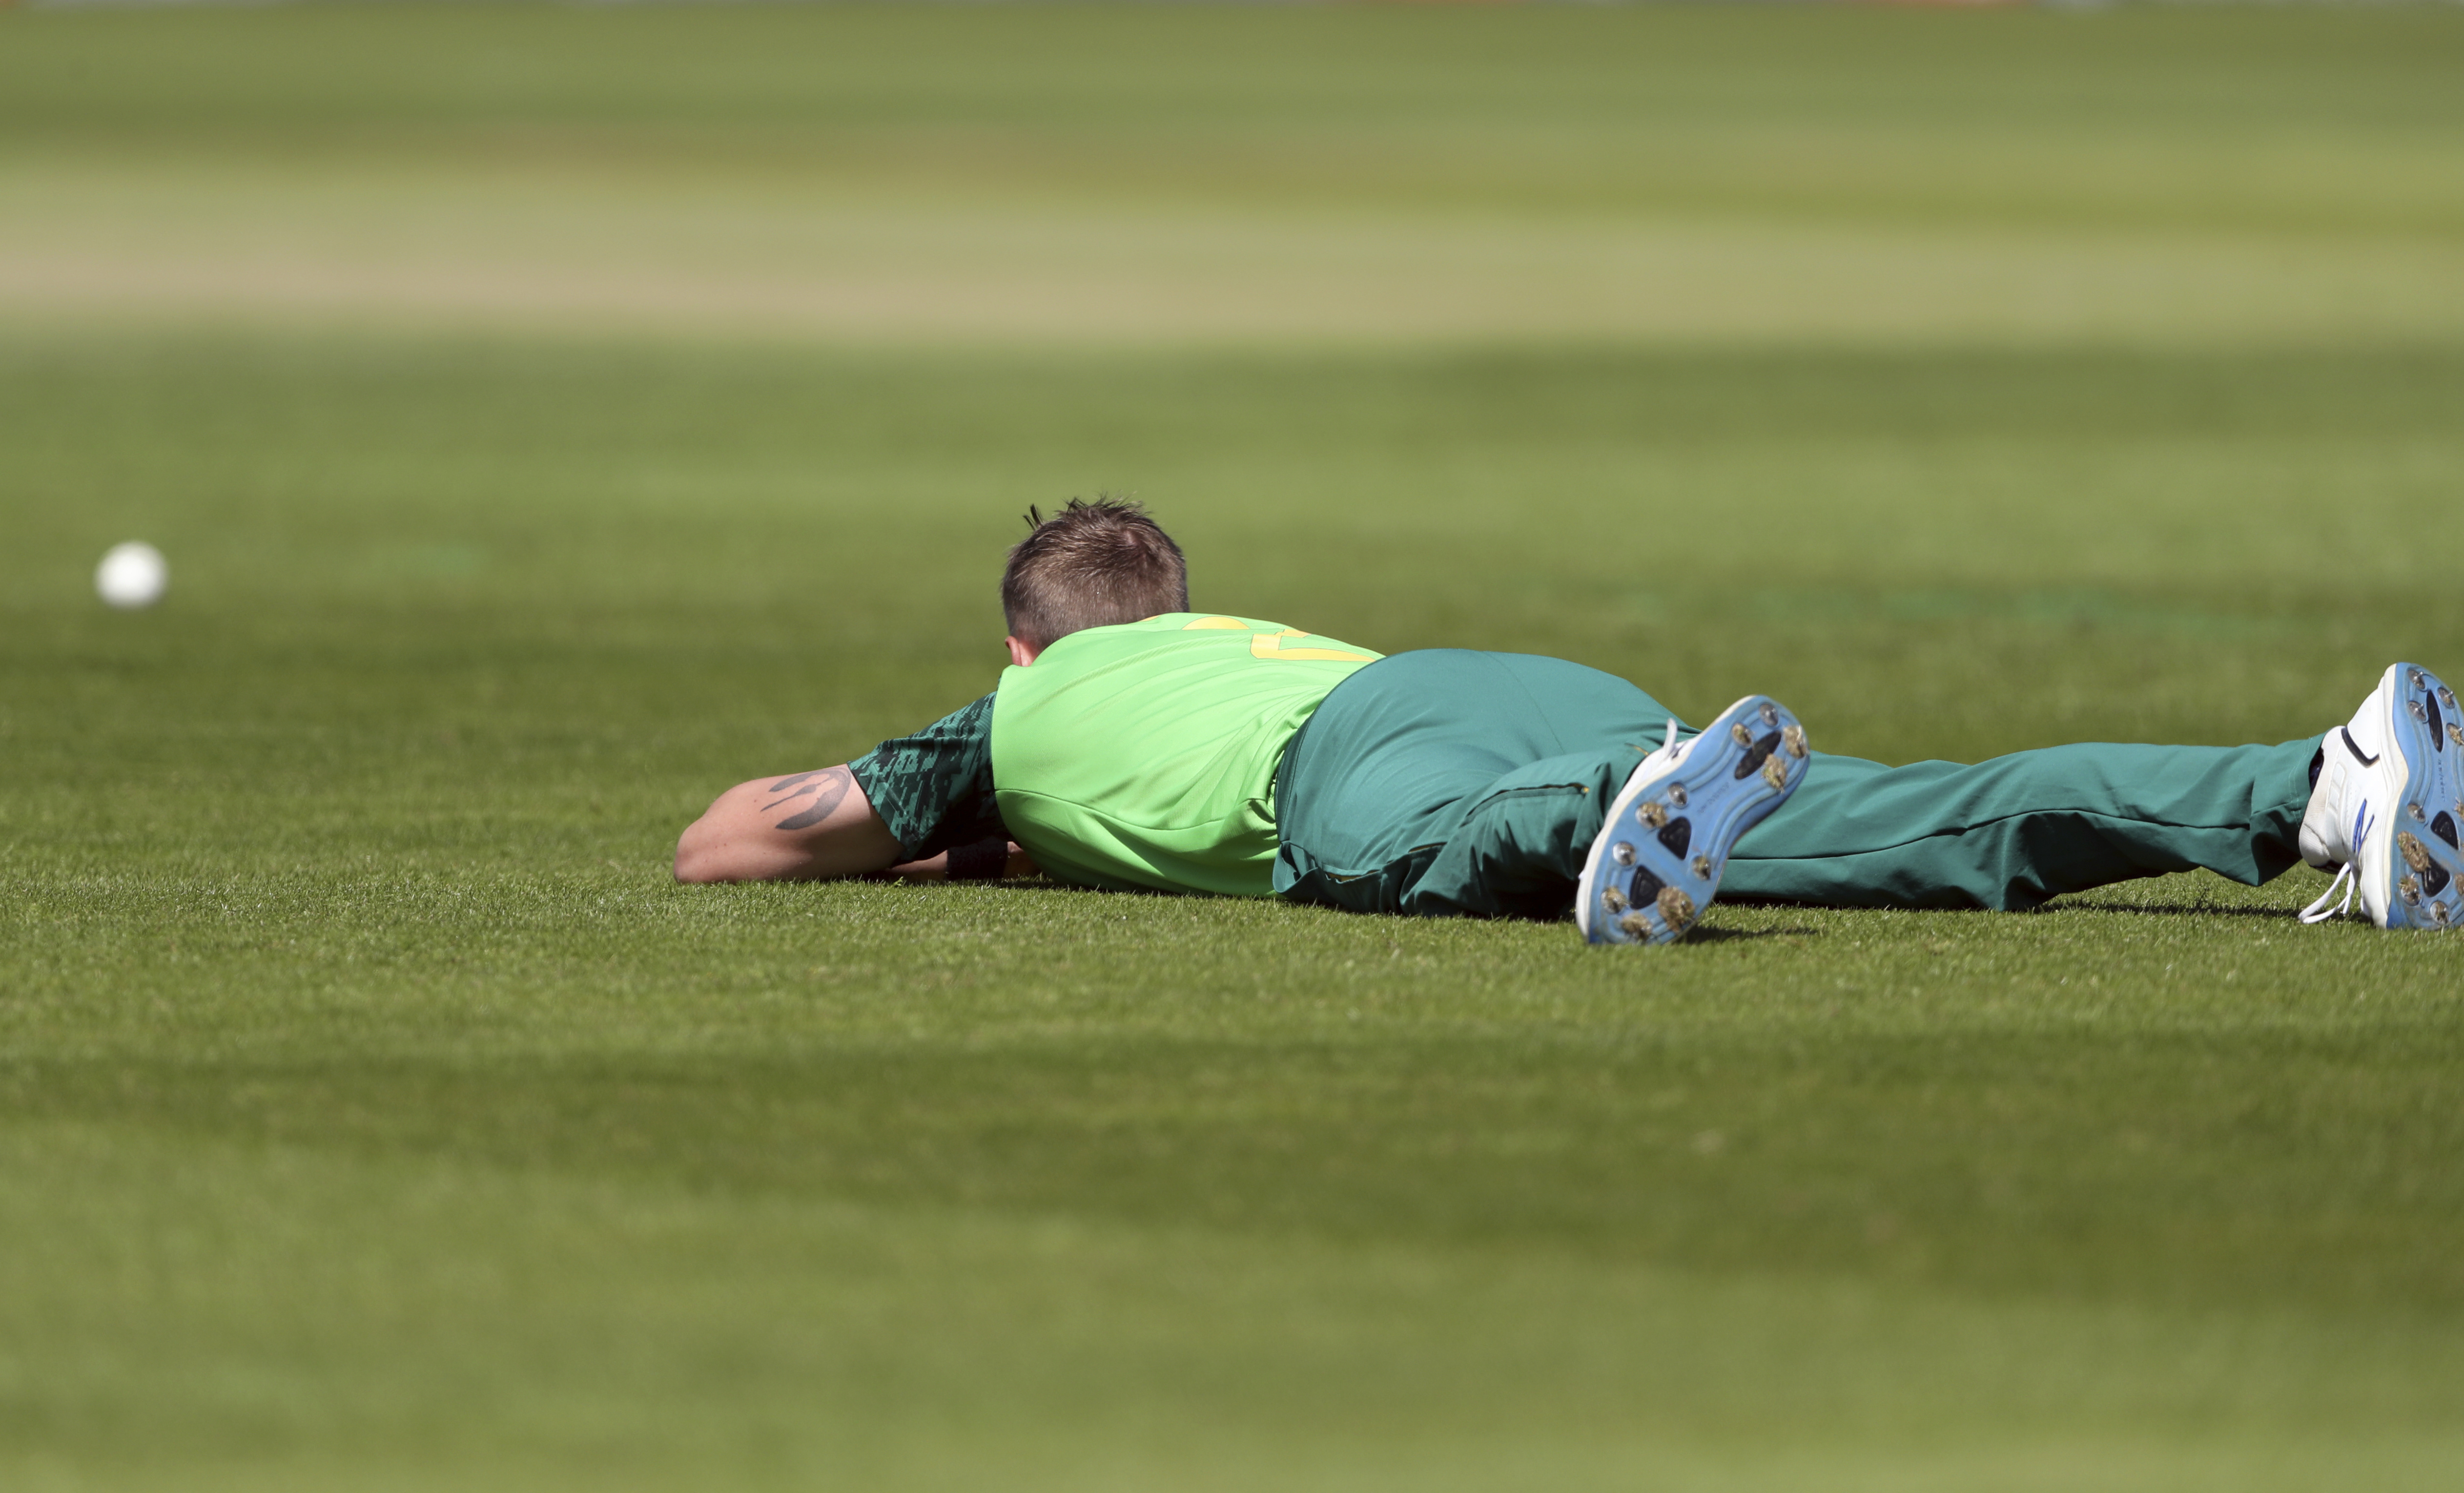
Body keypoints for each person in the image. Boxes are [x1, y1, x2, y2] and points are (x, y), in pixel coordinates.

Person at [676, 500, 2464, 939]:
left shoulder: (1010, 716)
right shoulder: (1240, 640)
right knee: (1915, 818)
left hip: (1365, 767)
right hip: (1495, 684)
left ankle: (1616, 817)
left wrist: (953, 814)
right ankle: (2323, 785)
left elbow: (736, 839)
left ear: (1025, 643)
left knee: (1394, 857)